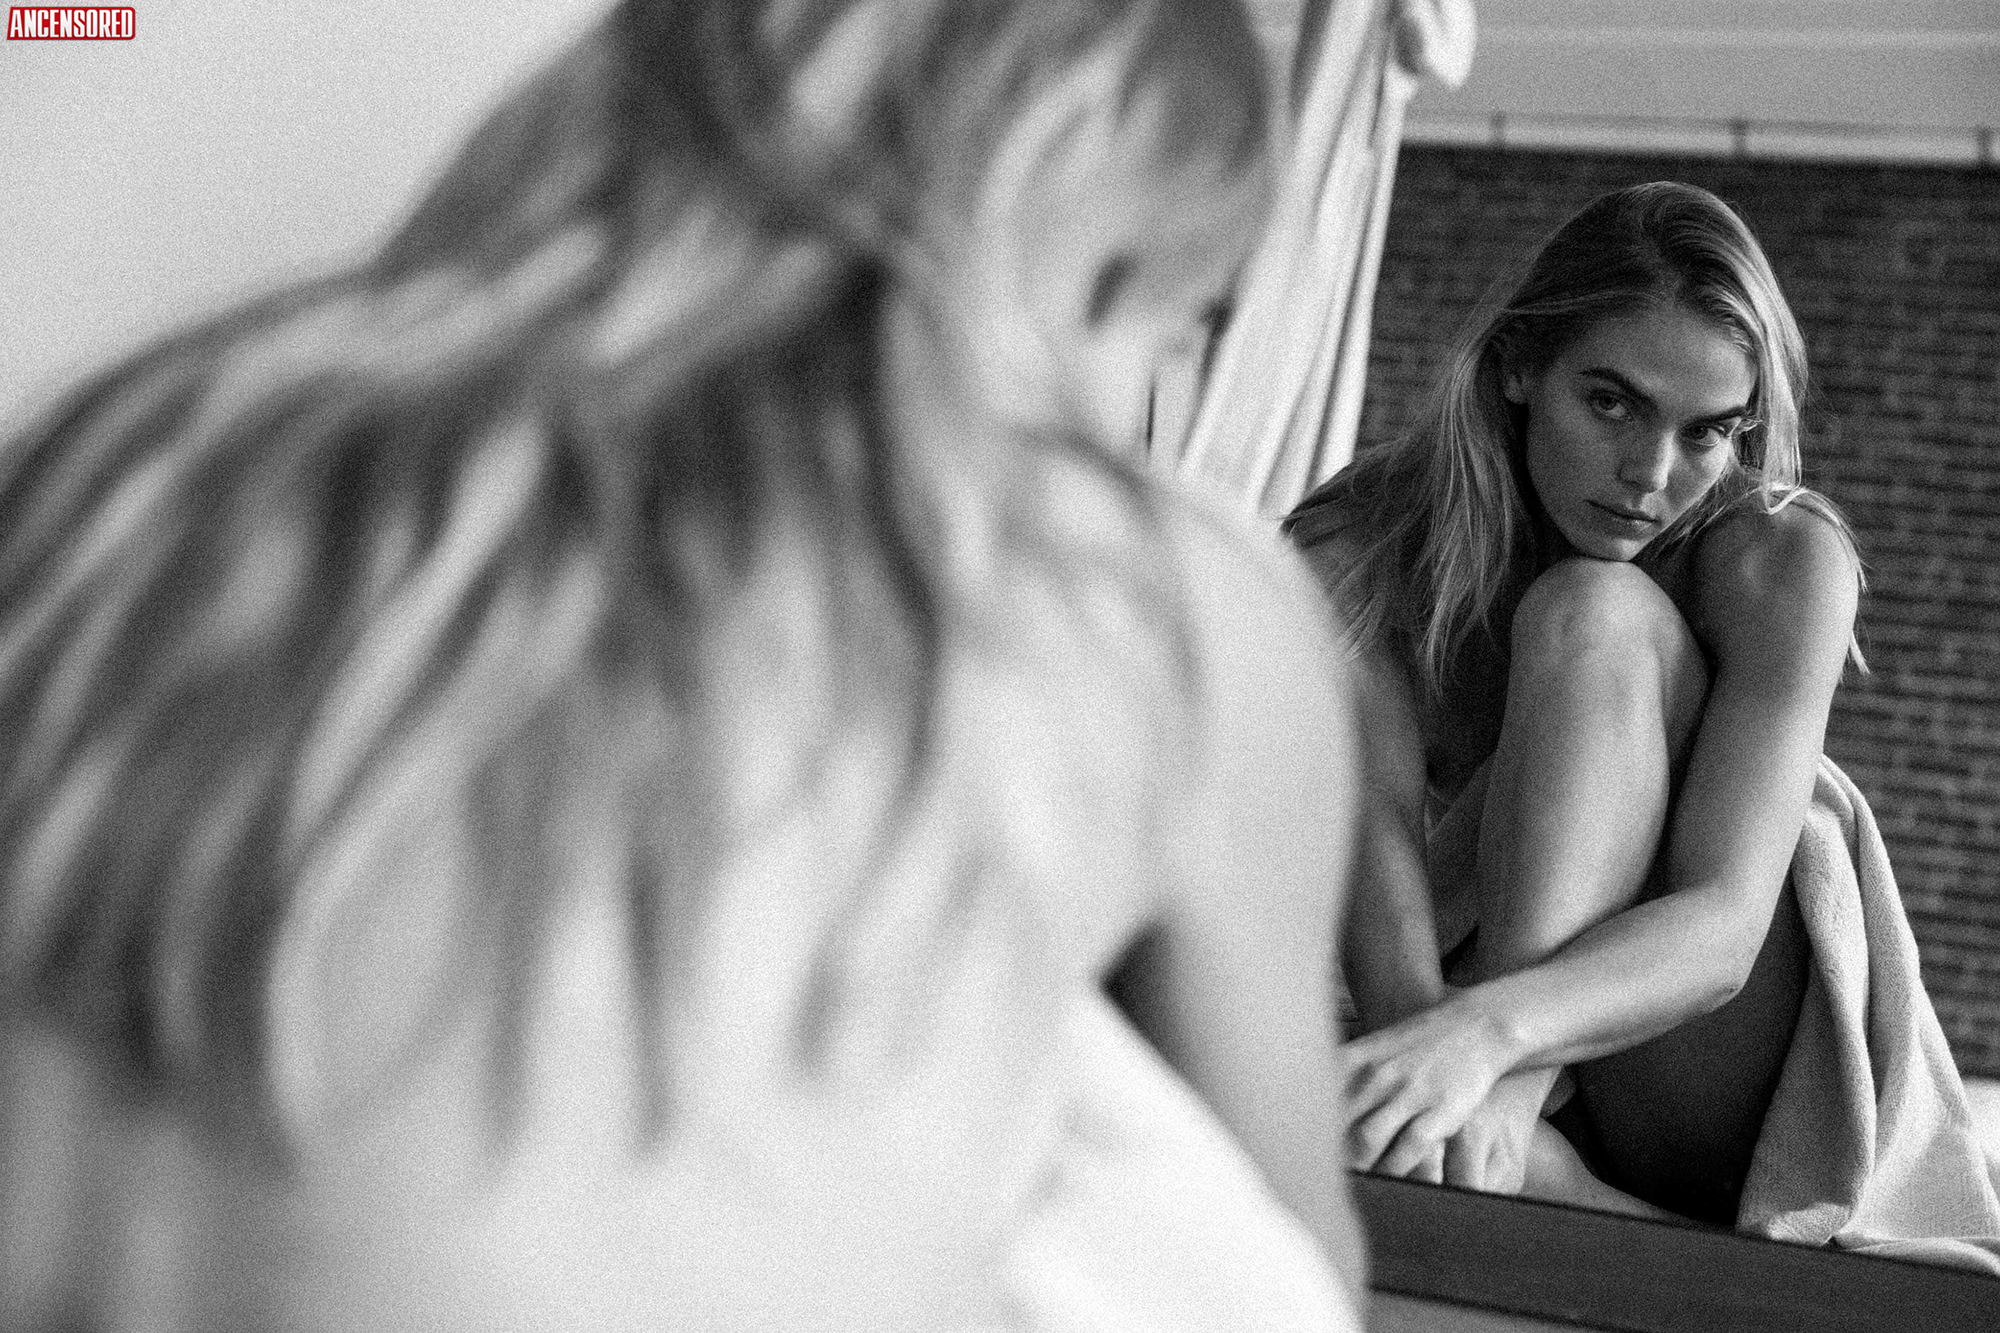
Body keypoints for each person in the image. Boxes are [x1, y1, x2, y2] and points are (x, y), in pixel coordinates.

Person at [0, 1, 1367, 1327]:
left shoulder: (130, 454)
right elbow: (1289, 1276)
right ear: (1106, 272)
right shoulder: (1142, 592)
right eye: (1176, 335)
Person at [1287, 180, 1866, 1226]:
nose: (1650, 473)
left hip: (1706, 1051)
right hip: (1471, 1024)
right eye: (1610, 403)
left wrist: (1490, 1048)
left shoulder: (1779, 560)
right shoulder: (1360, 545)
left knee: (1593, 609)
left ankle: (1514, 1142)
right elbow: (1372, 856)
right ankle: (1543, 1179)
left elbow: (1722, 929)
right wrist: (1430, 1083)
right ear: (1519, 365)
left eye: (1705, 433)